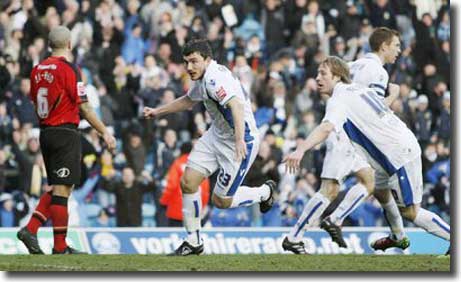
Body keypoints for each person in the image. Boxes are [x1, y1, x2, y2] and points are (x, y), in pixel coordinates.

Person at [283, 56, 450, 255]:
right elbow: (378, 110)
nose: (318, 77)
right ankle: (397, 237)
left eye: (323, 73)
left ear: (337, 77)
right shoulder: (360, 90)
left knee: (411, 212)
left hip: (397, 155)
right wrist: (393, 95)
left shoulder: (339, 98)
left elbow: (327, 127)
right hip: (391, 152)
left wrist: (301, 149)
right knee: (378, 188)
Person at [143, 39, 275, 256]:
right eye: (186, 62)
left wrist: (240, 139)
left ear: (207, 59)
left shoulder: (215, 78)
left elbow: (236, 106)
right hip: (216, 135)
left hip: (239, 141)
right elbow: (188, 100)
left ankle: (264, 192)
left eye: (194, 61)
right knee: (188, 182)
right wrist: (158, 111)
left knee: (221, 201)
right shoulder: (202, 77)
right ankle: (193, 242)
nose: (189, 67)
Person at [282, 27, 406, 253]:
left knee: (369, 182)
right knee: (329, 189)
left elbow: (338, 90)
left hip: (348, 132)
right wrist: (394, 96)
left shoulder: (354, 63)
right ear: (384, 46)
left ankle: (335, 219)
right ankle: (296, 235)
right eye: (396, 46)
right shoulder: (379, 72)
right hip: (348, 133)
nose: (399, 51)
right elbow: (376, 111)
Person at [17, 26, 116, 255]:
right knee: (62, 191)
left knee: (62, 187)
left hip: (45, 132)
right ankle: (59, 247)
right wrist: (104, 132)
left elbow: (35, 102)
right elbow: (84, 106)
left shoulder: (36, 70)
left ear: (50, 45)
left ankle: (30, 229)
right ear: (69, 44)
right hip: (64, 132)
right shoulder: (70, 69)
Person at [160, 142, 210, 227]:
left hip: (176, 211)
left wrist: (163, 202)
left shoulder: (177, 164)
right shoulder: (199, 166)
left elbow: (171, 186)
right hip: (195, 209)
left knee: (176, 238)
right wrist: (203, 205)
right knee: (193, 238)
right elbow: (205, 190)